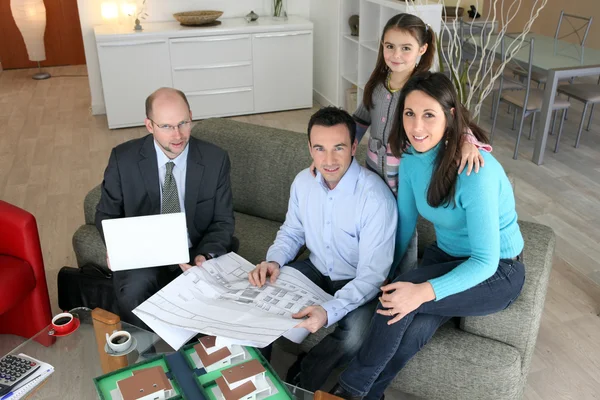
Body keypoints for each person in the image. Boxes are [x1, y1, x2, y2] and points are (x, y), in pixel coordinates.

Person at [330, 72, 525, 400]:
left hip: (497, 271)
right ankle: (368, 394)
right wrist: (380, 271)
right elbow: (404, 225)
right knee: (409, 320)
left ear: (450, 117)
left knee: (397, 303)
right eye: (409, 114)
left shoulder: (476, 171)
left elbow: (485, 261)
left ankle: (347, 391)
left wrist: (422, 290)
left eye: (428, 115)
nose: (416, 127)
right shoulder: (410, 161)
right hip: (445, 257)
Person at [315, 13, 491, 274]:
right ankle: (367, 270)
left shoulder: (423, 90)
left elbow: (456, 119)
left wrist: (468, 143)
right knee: (370, 220)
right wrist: (331, 153)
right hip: (373, 171)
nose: (396, 54)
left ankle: (404, 278)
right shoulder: (376, 85)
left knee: (403, 228)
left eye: (406, 48)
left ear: (422, 49)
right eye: (389, 46)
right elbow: (359, 122)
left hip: (406, 176)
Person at [248, 107, 398, 391]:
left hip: (357, 279)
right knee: (260, 295)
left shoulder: (374, 198)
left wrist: (329, 311)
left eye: (338, 148)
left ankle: (302, 380)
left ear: (354, 147)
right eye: (320, 148)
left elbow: (372, 276)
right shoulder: (303, 182)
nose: (328, 160)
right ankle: (253, 380)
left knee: (355, 335)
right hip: (315, 268)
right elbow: (292, 231)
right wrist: (274, 261)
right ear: (309, 148)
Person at [96, 87, 235, 328]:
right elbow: (106, 213)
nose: (178, 135)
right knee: (132, 291)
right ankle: (146, 356)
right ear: (149, 125)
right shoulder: (123, 159)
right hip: (145, 252)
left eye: (184, 123)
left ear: (191, 116)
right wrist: (118, 246)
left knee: (223, 303)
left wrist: (206, 255)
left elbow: (223, 221)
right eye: (167, 126)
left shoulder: (216, 159)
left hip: (196, 251)